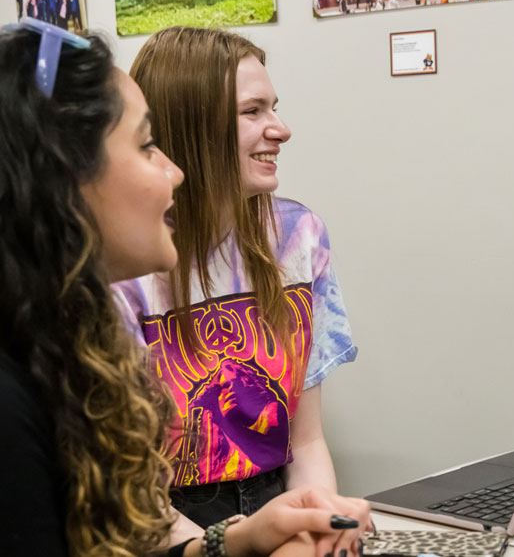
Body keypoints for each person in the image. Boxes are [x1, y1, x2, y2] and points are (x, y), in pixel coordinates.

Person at [0, 22, 371, 556]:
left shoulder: (38, 344)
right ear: (59, 177)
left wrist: (244, 544)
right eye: (147, 145)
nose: (174, 172)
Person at [118, 27, 359, 529]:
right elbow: (122, 484)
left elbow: (307, 441)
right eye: (253, 112)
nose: (281, 129)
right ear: (192, 127)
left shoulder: (297, 238)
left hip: (274, 502)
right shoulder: (123, 268)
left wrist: (320, 531)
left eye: (274, 107)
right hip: (164, 521)